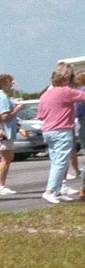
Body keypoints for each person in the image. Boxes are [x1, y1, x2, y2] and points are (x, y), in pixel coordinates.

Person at [36, 63, 85, 203]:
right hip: (62, 130)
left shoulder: (46, 94)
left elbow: (40, 115)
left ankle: (57, 191)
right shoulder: (66, 91)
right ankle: (50, 190)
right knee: (61, 163)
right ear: (66, 79)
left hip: (48, 131)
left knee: (56, 162)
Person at [0, 73, 23, 195]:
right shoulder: (2, 97)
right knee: (6, 159)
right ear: (3, 83)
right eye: (9, 81)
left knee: (1, 158)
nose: (12, 84)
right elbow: (5, 116)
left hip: (1, 133)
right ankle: (1, 185)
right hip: (5, 132)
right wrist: (17, 109)